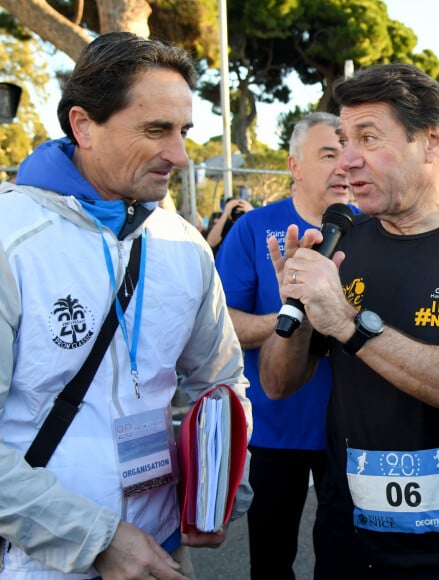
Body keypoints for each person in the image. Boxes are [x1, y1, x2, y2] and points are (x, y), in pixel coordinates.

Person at [259, 63, 439, 579]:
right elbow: (277, 382)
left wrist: (348, 323)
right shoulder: (344, 240)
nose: (348, 161)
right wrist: (292, 307)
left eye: (369, 138)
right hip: (347, 549)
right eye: (344, 141)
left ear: (431, 141)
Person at [0, 32, 252, 579]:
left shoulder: (184, 245)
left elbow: (222, 381)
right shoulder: (10, 241)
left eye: (183, 130)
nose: (181, 155)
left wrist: (221, 484)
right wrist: (98, 540)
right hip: (39, 562)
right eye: (155, 130)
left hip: (160, 553)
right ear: (83, 125)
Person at [215, 112, 353, 579]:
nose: (343, 165)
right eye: (328, 154)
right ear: (294, 166)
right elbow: (221, 322)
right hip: (275, 432)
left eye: (347, 152)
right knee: (272, 562)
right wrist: (294, 317)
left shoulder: (374, 227)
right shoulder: (255, 229)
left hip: (353, 433)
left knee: (348, 560)